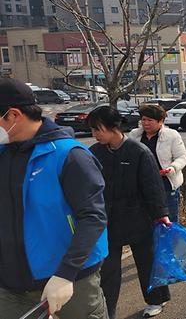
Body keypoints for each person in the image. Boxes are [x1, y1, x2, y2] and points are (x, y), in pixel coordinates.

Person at [0, 78, 109, 319]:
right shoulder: (3, 154)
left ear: (14, 115)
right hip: (10, 286)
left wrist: (66, 274)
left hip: (69, 282)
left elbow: (93, 217)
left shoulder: (68, 156)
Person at [87, 106, 171, 318]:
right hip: (109, 220)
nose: (94, 135)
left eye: (97, 130)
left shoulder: (138, 151)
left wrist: (161, 213)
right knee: (108, 271)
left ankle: (156, 300)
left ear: (112, 127)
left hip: (138, 217)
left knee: (147, 262)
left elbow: (152, 186)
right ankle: (108, 311)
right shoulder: (95, 152)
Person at [130, 105, 186, 223]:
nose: (145, 123)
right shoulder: (134, 135)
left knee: (169, 219)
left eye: (150, 120)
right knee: (145, 220)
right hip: (143, 184)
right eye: (143, 119)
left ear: (161, 121)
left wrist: (172, 168)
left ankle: (169, 241)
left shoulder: (172, 135)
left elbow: (181, 157)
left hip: (166, 183)